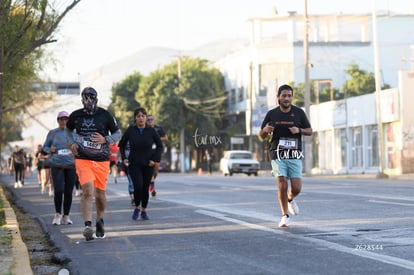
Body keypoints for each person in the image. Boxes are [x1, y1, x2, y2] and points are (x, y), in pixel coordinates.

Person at [65, 87, 121, 241]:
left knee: (100, 194)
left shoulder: (105, 115)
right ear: (82, 99)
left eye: (92, 97)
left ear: (96, 98)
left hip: (102, 159)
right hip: (83, 158)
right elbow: (68, 131)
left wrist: (106, 140)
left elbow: (118, 133)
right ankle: (87, 225)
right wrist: (71, 144)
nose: (89, 100)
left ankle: (100, 220)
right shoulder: (76, 116)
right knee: (88, 190)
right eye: (86, 97)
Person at [259, 84, 312, 228]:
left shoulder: (299, 112)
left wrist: (299, 130)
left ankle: (290, 198)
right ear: (278, 98)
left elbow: (310, 130)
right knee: (282, 182)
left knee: (297, 188)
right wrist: (265, 130)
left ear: (292, 97)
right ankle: (284, 215)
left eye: (289, 96)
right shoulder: (272, 114)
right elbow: (261, 136)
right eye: (284, 96)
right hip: (277, 152)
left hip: (294, 153)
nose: (287, 98)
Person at [119, 107, 162, 221]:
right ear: (135, 118)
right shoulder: (131, 130)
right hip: (134, 163)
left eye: (143, 116)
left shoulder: (151, 131)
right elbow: (122, 144)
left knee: (145, 188)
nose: (141, 118)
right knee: (137, 186)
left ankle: (143, 210)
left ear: (146, 118)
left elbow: (160, 146)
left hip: (148, 164)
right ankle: (137, 207)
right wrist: (124, 158)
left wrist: (154, 159)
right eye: (138, 116)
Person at [43, 111, 77, 225]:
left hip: (71, 165)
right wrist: (49, 150)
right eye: (61, 119)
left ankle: (66, 215)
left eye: (66, 119)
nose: (63, 121)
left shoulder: (74, 133)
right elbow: (44, 148)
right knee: (58, 190)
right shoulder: (52, 133)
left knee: (68, 192)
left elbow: (81, 147)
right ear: (58, 121)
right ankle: (58, 214)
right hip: (57, 165)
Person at [147, 115, 168, 196]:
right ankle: (152, 188)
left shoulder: (159, 128)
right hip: (148, 151)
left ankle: (150, 182)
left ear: (154, 120)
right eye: (148, 119)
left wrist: (157, 138)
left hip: (157, 151)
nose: (150, 121)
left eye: (151, 119)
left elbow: (166, 138)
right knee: (151, 170)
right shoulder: (145, 129)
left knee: (155, 171)